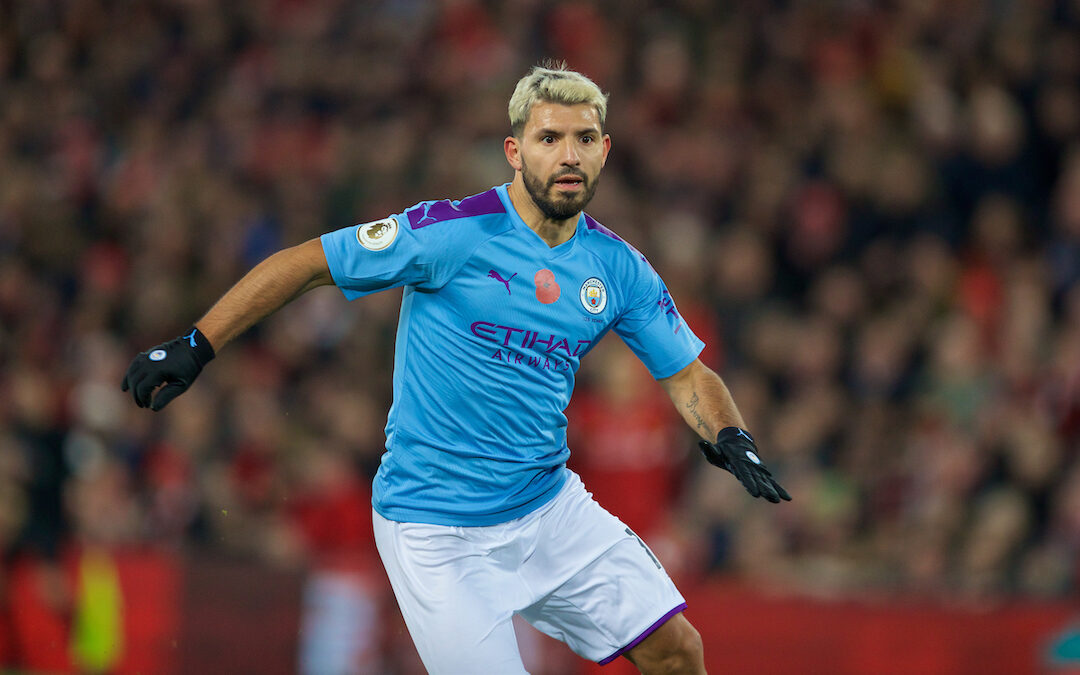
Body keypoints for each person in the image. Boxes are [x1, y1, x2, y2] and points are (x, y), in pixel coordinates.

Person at [121, 63, 790, 674]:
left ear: (604, 152)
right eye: (549, 137)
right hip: (434, 528)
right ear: (515, 150)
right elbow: (304, 264)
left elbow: (687, 373)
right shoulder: (451, 232)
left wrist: (729, 435)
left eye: (584, 139)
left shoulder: (617, 267)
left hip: (547, 507)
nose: (568, 155)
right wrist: (195, 344)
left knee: (678, 650)